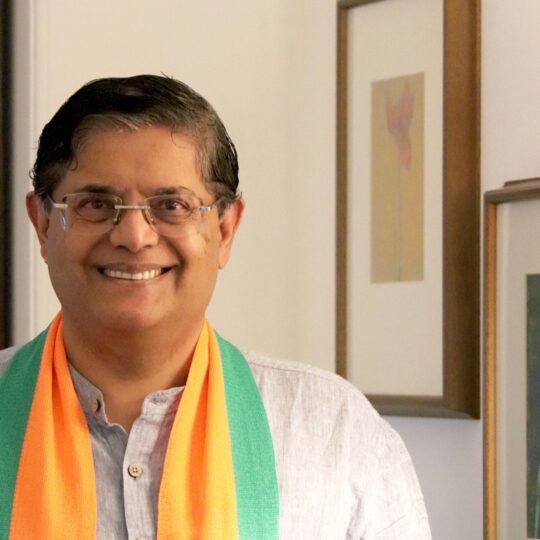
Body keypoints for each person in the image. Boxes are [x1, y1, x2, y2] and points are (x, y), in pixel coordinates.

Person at [0, 75, 431, 539]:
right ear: (43, 224)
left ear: (225, 230)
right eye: (96, 204)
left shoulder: (334, 431)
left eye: (171, 205)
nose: (134, 236)